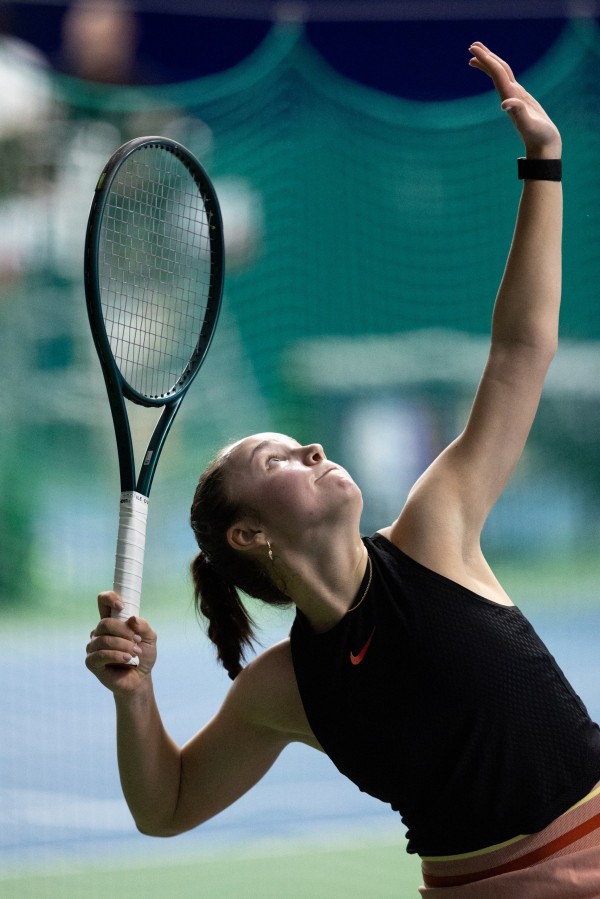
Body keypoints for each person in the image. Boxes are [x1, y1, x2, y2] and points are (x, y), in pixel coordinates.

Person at [86, 44, 600, 896]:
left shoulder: (434, 531)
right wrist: (133, 695)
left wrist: (543, 163)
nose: (314, 449)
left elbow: (520, 350)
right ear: (250, 534)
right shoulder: (285, 687)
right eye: (279, 457)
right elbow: (166, 805)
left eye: (303, 443)